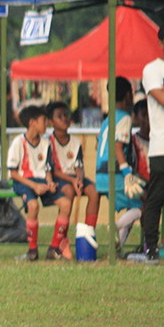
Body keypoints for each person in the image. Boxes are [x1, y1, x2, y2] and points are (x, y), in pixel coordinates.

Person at [7, 105, 71, 261]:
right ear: (32, 123)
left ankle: (54, 248)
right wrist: (34, 186)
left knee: (66, 204)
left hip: (41, 181)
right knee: (33, 206)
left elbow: (48, 170)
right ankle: (32, 251)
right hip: (24, 181)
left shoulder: (46, 143)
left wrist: (49, 183)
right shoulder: (18, 142)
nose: (46, 124)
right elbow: (13, 173)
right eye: (43, 120)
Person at [140, 19, 164, 263]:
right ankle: (151, 246)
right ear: (161, 42)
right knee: (156, 197)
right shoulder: (152, 69)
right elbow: (162, 100)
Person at [95, 76, 143, 252]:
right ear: (129, 95)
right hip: (114, 175)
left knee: (133, 207)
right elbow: (117, 147)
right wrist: (127, 174)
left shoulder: (107, 119)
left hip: (101, 175)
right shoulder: (124, 118)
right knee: (145, 205)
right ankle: (115, 226)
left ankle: (117, 248)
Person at [47, 101, 99, 258]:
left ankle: (87, 235)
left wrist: (79, 179)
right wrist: (72, 181)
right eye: (59, 116)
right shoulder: (49, 142)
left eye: (66, 115)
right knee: (68, 192)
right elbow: (53, 170)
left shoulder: (76, 141)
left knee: (95, 191)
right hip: (59, 178)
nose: (64, 119)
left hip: (74, 178)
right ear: (51, 122)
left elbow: (79, 166)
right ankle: (62, 241)